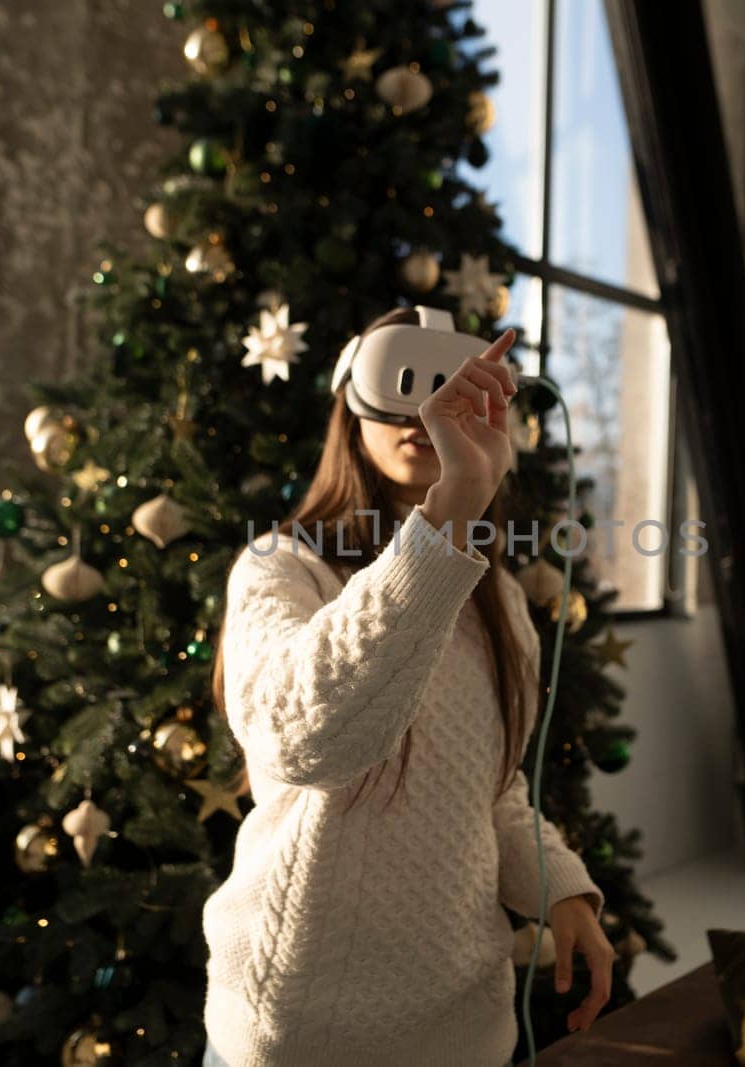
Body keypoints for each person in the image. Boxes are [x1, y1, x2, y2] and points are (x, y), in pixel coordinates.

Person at [201, 307, 613, 1066]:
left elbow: (493, 790)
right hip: (298, 1031)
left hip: (465, 1030)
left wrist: (564, 890)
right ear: (350, 397)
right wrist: (450, 511)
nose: (428, 412)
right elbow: (305, 743)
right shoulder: (280, 568)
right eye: (403, 382)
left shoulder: (502, 603)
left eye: (454, 384)